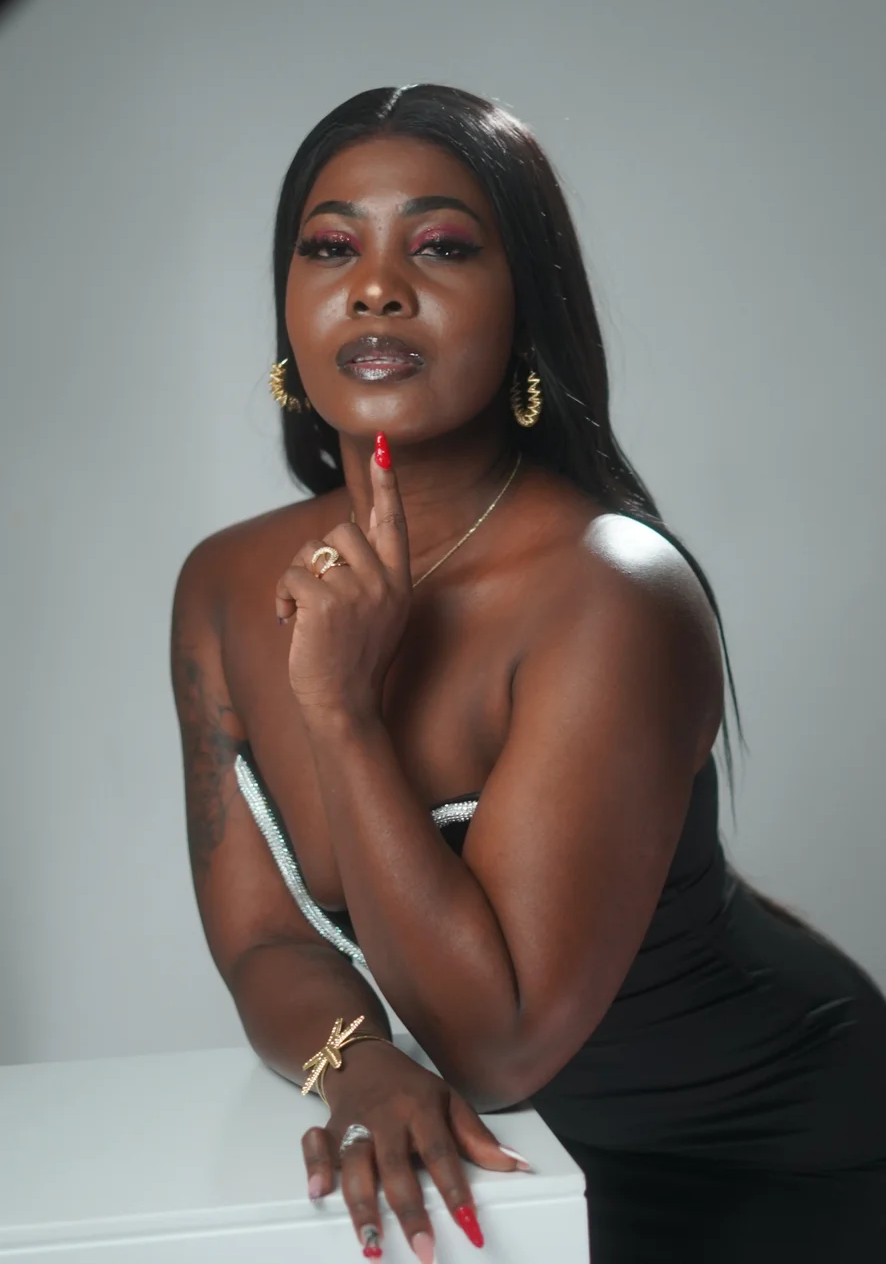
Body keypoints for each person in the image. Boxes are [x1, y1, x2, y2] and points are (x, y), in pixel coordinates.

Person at [170, 84, 886, 1263]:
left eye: (442, 246)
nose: (377, 287)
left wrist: (343, 712)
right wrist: (360, 1065)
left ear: (526, 308)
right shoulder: (222, 583)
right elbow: (263, 942)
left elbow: (498, 1053)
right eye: (331, 247)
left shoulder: (611, 588)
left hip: (767, 1162)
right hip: (539, 1175)